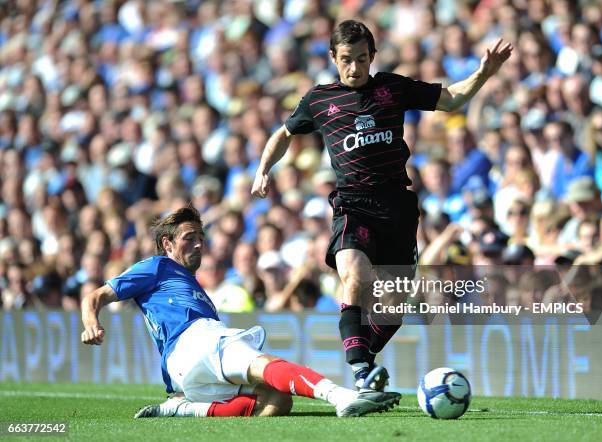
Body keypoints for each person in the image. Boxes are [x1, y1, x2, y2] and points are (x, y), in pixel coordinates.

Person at [251, 20, 512, 390]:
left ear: (372, 56)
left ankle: (364, 366)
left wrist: (484, 73)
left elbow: (451, 99)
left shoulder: (392, 88)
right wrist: (263, 169)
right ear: (332, 58)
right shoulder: (319, 100)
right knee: (354, 276)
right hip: (352, 205)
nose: (355, 68)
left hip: (397, 207)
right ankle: (359, 368)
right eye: (346, 60)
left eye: (361, 59)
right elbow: (284, 133)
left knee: (392, 307)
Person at [81, 204, 400, 418]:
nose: (198, 244)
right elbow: (95, 296)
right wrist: (91, 322)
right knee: (264, 364)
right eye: (188, 238)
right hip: (195, 341)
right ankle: (341, 397)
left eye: (201, 238)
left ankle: (181, 408)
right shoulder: (158, 266)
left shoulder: (193, 287)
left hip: (186, 376)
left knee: (277, 401)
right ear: (167, 243)